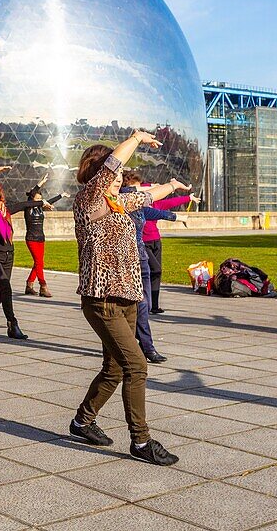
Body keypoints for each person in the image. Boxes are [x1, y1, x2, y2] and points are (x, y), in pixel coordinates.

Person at [69, 131, 188, 465]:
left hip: (128, 298)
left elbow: (147, 197)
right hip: (103, 299)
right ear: (100, 175)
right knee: (136, 366)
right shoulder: (88, 202)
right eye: (116, 175)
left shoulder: (117, 203)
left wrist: (173, 185)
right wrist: (135, 137)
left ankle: (82, 421)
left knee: (114, 369)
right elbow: (111, 165)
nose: (120, 179)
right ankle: (141, 441)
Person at [121, 172, 190, 363]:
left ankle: (137, 342)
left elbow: (156, 212)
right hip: (127, 263)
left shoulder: (139, 207)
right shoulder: (120, 203)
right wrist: (169, 185)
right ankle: (147, 348)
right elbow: (132, 192)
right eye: (135, 187)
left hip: (141, 260)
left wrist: (176, 217)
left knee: (145, 306)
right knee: (139, 307)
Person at [0, 165, 37, 339]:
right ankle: (12, 324)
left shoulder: (5, 210)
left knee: (1, 289)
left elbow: (24, 204)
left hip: (8, 255)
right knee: (6, 287)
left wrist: (42, 203)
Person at [143, 188, 198, 314]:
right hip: (143, 243)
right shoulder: (138, 207)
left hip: (156, 241)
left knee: (157, 273)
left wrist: (189, 198)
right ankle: (145, 304)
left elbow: (172, 202)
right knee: (154, 269)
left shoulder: (156, 204)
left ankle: (154, 306)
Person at [22, 173, 67, 298]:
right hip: (31, 238)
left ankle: (29, 285)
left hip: (41, 238)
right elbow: (32, 195)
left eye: (40, 199)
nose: (39, 201)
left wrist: (61, 195)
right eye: (37, 199)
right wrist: (41, 183)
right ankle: (43, 286)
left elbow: (49, 201)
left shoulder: (41, 208)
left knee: (39, 263)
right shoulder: (28, 207)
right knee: (38, 262)